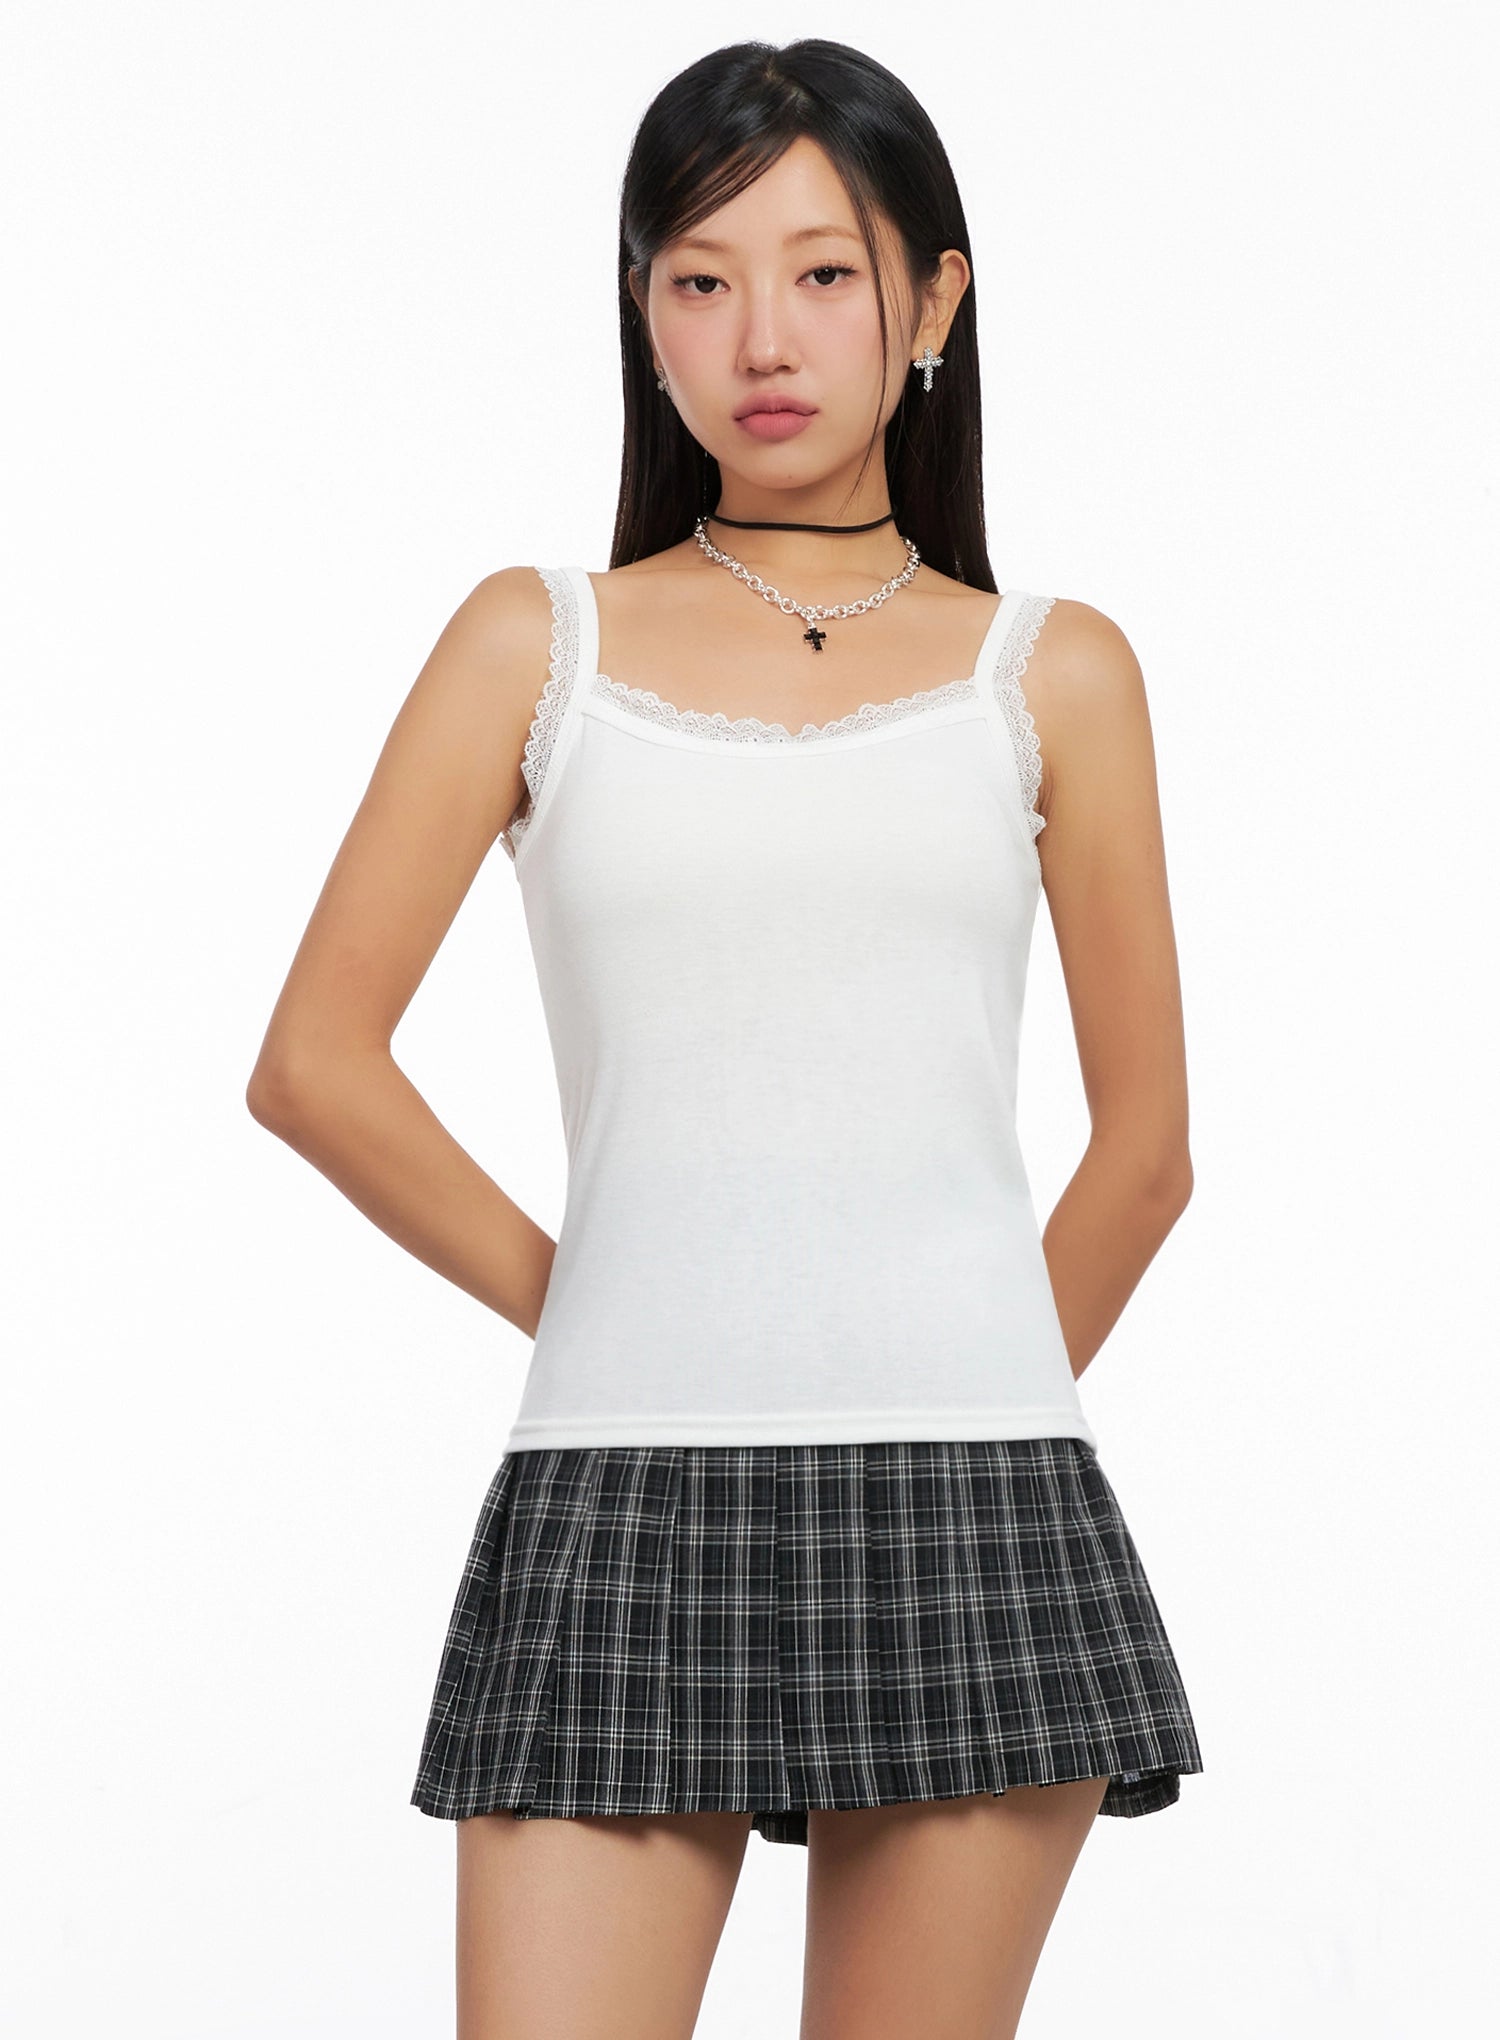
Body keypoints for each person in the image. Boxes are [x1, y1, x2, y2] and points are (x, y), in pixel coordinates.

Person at [247, 36, 1205, 2040]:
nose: (762, 335)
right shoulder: (536, 644)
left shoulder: (1054, 674)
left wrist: (955, 1392)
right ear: (644, 313)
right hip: (619, 1488)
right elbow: (316, 1062)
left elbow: (1145, 1160)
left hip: (974, 1501)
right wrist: (606, 1305)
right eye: (700, 278)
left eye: (823, 272)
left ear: (932, 300)